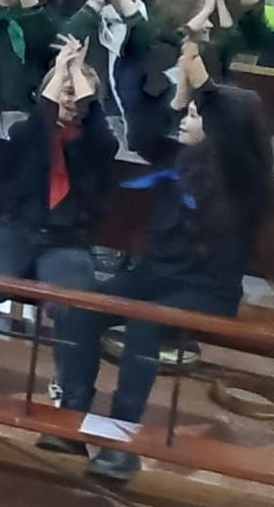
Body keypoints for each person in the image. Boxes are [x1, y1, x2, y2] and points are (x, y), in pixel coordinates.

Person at [47, 80, 272, 482]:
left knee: (145, 324)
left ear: (223, 128)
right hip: (153, 276)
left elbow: (240, 152)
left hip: (206, 291)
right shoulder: (177, 156)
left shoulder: (244, 178)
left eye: (196, 115)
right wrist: (179, 97)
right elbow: (143, 135)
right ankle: (73, 421)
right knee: (83, 307)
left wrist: (204, 85)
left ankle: (121, 442)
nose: (186, 118)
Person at [0, 36, 116, 390]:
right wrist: (59, 73)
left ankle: (64, 377)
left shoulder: (97, 141)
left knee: (73, 305)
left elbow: (101, 134)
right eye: (64, 91)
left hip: (66, 242)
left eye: (79, 93)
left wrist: (80, 79)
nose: (71, 99)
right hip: (17, 231)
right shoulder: (26, 132)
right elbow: (35, 125)